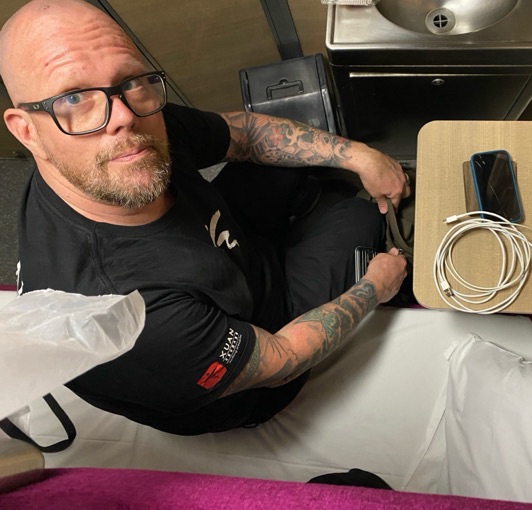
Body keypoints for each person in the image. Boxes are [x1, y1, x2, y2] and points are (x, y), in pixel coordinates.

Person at [0, 0, 410, 435]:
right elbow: (283, 359)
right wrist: (374, 288)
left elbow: (244, 135)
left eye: (129, 81)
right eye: (73, 97)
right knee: (359, 216)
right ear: (27, 131)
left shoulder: (131, 119)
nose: (122, 118)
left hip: (225, 252)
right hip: (258, 339)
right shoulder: (128, 321)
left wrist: (360, 156)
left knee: (304, 164)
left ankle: (312, 207)